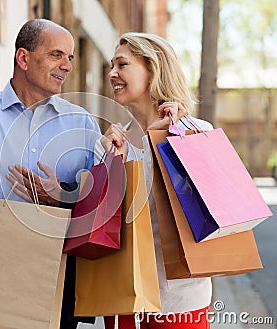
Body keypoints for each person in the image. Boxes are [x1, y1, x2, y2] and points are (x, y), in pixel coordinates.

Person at [0, 18, 100, 329]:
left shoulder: (82, 125)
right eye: (56, 54)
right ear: (23, 58)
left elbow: (99, 205)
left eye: (70, 57)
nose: (67, 66)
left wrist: (61, 196)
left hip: (53, 275)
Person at [100, 32, 213, 328]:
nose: (112, 73)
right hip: (125, 297)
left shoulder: (194, 131)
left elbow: (207, 208)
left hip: (179, 301)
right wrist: (110, 164)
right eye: (111, 65)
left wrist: (168, 139)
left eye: (122, 65)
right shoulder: (116, 139)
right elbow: (106, 223)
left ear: (154, 69)